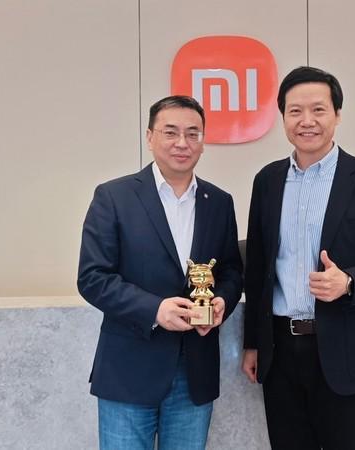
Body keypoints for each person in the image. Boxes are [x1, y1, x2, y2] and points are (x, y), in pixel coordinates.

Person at [241, 66, 355, 450]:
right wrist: (253, 343)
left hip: (346, 352)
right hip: (280, 354)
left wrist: (348, 282)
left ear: (337, 115)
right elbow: (258, 270)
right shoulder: (267, 181)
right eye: (295, 111)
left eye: (318, 109)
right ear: (282, 117)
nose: (307, 121)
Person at [78, 95, 243, 449]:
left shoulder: (219, 202)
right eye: (170, 132)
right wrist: (155, 310)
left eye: (193, 133)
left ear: (203, 142)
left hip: (194, 371)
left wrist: (221, 302)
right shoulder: (114, 197)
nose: (182, 142)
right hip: (129, 369)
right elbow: (93, 277)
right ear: (150, 137)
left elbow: (231, 270)